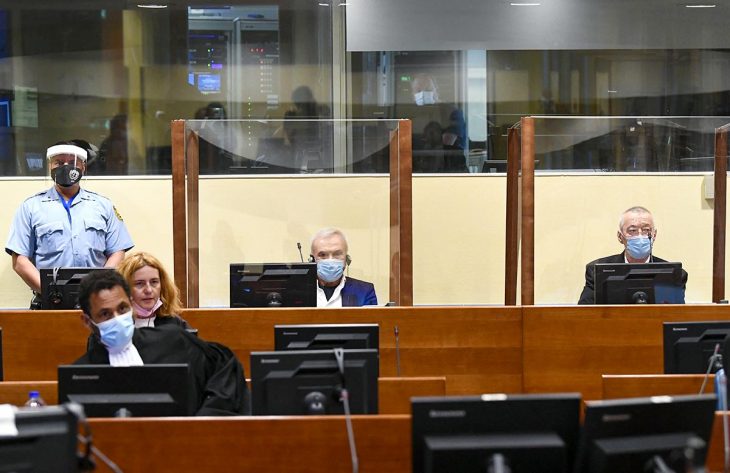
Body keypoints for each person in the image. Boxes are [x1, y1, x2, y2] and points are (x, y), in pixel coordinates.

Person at [75, 269, 248, 416]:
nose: (117, 319)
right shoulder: (80, 374)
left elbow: (225, 368)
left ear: (131, 304)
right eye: (105, 314)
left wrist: (204, 421)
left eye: (122, 309)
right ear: (87, 321)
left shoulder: (173, 340)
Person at [5, 140, 134, 303]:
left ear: (83, 167)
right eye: (58, 162)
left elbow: (118, 252)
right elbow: (20, 261)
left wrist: (99, 288)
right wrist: (52, 293)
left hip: (97, 301)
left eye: (72, 162)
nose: (65, 166)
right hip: (49, 302)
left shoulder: (103, 206)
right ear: (50, 166)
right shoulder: (30, 207)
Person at [578, 206, 688, 304]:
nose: (640, 236)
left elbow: (675, 317)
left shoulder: (674, 275)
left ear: (654, 235)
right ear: (620, 237)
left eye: (646, 230)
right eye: (632, 230)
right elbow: (584, 314)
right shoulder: (596, 270)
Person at [116, 251, 191, 329]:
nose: (148, 290)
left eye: (154, 282)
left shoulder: (176, 324)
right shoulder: (114, 327)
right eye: (139, 283)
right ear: (124, 288)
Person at [310, 227, 377, 307]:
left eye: (337, 254)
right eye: (323, 255)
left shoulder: (365, 291)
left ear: (347, 259)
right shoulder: (296, 291)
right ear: (312, 259)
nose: (330, 260)